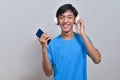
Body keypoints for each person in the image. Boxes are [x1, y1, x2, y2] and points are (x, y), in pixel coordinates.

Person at [38, 4, 101, 80]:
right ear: (57, 20)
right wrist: (44, 48)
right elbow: (48, 73)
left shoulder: (83, 39)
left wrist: (83, 34)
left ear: (75, 20)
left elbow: (97, 59)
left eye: (69, 17)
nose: (65, 21)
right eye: (61, 17)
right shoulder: (52, 44)